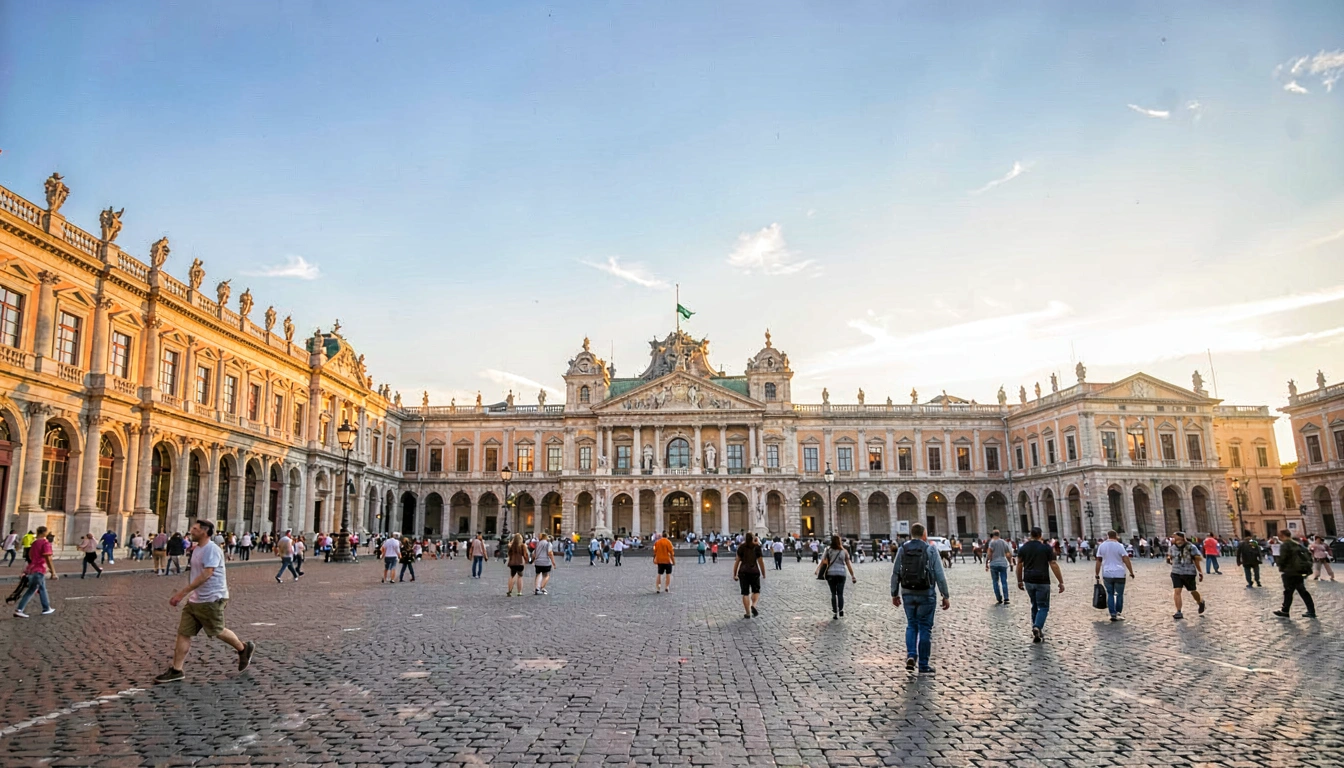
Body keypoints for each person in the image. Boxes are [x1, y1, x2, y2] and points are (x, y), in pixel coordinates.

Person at [153, 519, 255, 683]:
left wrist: (182, 593)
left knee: (217, 630)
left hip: (212, 598)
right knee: (184, 633)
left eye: (195, 528)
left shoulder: (211, 549)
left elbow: (207, 573)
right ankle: (176, 670)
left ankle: (243, 648)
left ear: (205, 532)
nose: (191, 531)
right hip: (196, 599)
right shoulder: (197, 548)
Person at [891, 524, 949, 674]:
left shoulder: (903, 548)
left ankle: (911, 655)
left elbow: (896, 572)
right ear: (924, 534)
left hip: (907, 592)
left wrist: (894, 593)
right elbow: (939, 575)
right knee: (925, 628)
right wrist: (945, 595)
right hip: (926, 593)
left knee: (911, 625)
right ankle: (923, 664)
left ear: (911, 534)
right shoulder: (930, 549)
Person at [1016, 527, 1064, 643]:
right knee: (1043, 606)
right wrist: (1060, 581)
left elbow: (1019, 565)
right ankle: (1037, 626)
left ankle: (1036, 630)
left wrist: (1019, 580)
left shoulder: (1024, 548)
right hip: (1042, 580)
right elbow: (1053, 564)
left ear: (1031, 535)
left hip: (1029, 580)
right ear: (1040, 535)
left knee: (1034, 604)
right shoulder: (1046, 548)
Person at [13, 525, 57, 618]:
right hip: (39, 569)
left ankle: (46, 608)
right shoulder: (45, 543)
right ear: (44, 532)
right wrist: (53, 571)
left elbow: (30, 555)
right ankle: (19, 609)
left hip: (33, 568)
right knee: (31, 590)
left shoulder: (34, 543)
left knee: (42, 588)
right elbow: (48, 558)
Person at [1093, 530, 1134, 622]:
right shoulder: (1119, 546)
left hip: (1107, 573)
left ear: (1107, 536)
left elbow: (1098, 561)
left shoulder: (1102, 546)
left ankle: (1112, 613)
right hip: (1119, 573)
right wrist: (1131, 571)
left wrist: (1097, 573)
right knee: (1119, 594)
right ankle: (1118, 612)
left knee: (1110, 594)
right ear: (1116, 536)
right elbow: (1125, 559)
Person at [1273, 533, 1317, 619]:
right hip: (1299, 571)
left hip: (1289, 571)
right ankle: (1310, 610)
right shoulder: (1298, 544)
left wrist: (1280, 565)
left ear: (1283, 536)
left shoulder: (1285, 545)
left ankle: (1285, 611)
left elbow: (1282, 559)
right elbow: (1308, 554)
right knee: (1300, 591)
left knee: (1289, 591)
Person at [1166, 531, 1206, 620]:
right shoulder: (1172, 548)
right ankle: (1178, 611)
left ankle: (1200, 602)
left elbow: (1197, 560)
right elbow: (1169, 555)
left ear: (1181, 538)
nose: (1174, 539)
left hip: (1189, 572)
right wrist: (1168, 558)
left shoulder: (1191, 547)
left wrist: (1200, 572)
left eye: (1175, 537)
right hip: (1176, 572)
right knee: (1177, 591)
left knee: (1193, 591)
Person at [819, 534, 857, 620]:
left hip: (831, 573)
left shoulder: (828, 550)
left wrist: (818, 570)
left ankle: (835, 612)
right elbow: (848, 564)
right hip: (841, 573)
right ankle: (841, 609)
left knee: (833, 594)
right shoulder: (844, 551)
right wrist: (853, 576)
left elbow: (823, 561)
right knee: (840, 593)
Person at [733, 532, 766, 619]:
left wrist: (735, 574)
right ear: (753, 538)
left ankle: (747, 613)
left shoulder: (741, 547)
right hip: (754, 571)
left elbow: (737, 562)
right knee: (756, 591)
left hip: (743, 571)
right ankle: (754, 605)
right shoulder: (757, 548)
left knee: (745, 593)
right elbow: (760, 562)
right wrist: (763, 573)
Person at [984, 529, 1013, 605]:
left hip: (994, 564)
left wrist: (987, 562)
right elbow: (1008, 554)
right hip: (1003, 563)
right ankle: (1006, 598)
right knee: (1004, 581)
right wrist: (1011, 562)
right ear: (999, 534)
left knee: (995, 581)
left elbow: (989, 553)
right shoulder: (1004, 542)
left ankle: (999, 598)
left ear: (993, 535)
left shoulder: (992, 542)